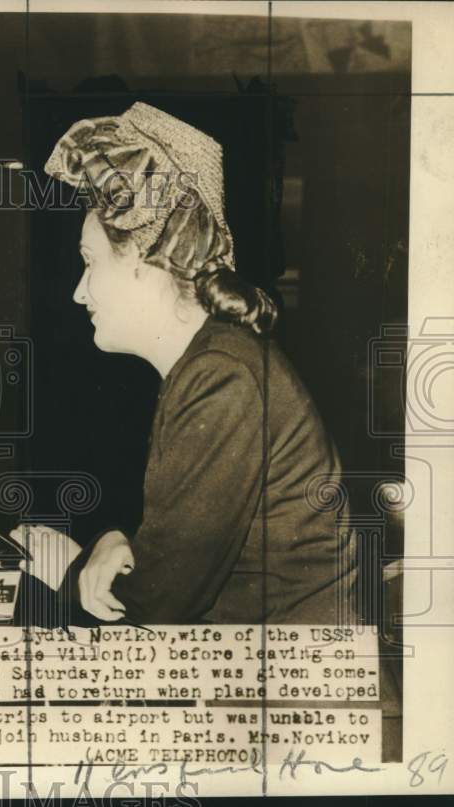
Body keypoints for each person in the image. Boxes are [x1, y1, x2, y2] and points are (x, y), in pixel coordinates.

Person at [38, 102, 357, 625]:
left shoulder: (220, 376)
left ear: (146, 261)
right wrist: (114, 539)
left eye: (89, 262)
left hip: (292, 695)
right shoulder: (211, 364)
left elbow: (152, 604)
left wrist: (68, 567)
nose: (79, 292)